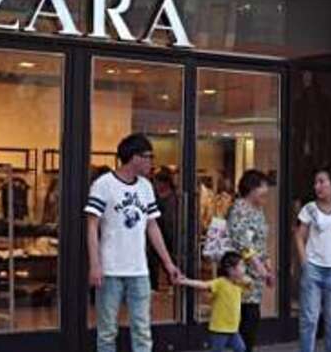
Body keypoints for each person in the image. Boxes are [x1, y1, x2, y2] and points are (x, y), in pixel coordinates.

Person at [85, 133, 182, 352]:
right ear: (134, 157)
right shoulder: (104, 185)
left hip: (139, 269)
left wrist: (168, 263)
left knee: (142, 329)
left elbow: (152, 226)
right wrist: (95, 264)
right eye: (149, 157)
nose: (151, 162)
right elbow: (92, 226)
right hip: (110, 269)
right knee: (107, 331)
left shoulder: (146, 187)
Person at [294, 167, 331, 352]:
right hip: (313, 268)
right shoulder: (309, 209)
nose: (317, 186)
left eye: (322, 182)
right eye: (316, 182)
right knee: (309, 319)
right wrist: (304, 262)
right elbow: (299, 236)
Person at [226, 170, 274, 352]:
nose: (266, 191)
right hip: (240, 273)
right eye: (263, 186)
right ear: (252, 188)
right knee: (245, 318)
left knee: (250, 319)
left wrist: (266, 262)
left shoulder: (257, 209)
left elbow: (259, 240)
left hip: (255, 275)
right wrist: (259, 265)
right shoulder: (239, 209)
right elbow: (242, 242)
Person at [178, 251, 250, 352]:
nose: (244, 269)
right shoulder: (221, 282)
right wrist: (185, 281)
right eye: (241, 265)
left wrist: (248, 282)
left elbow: (248, 289)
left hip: (233, 328)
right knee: (218, 350)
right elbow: (204, 285)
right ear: (231, 269)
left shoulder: (239, 285)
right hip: (219, 328)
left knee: (241, 348)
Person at [149, 168, 179, 291]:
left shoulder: (173, 199)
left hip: (169, 233)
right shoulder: (155, 196)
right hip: (156, 232)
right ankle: (153, 286)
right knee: (152, 259)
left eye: (158, 182)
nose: (156, 185)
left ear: (165, 183)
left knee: (170, 258)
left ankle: (173, 283)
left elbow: (171, 219)